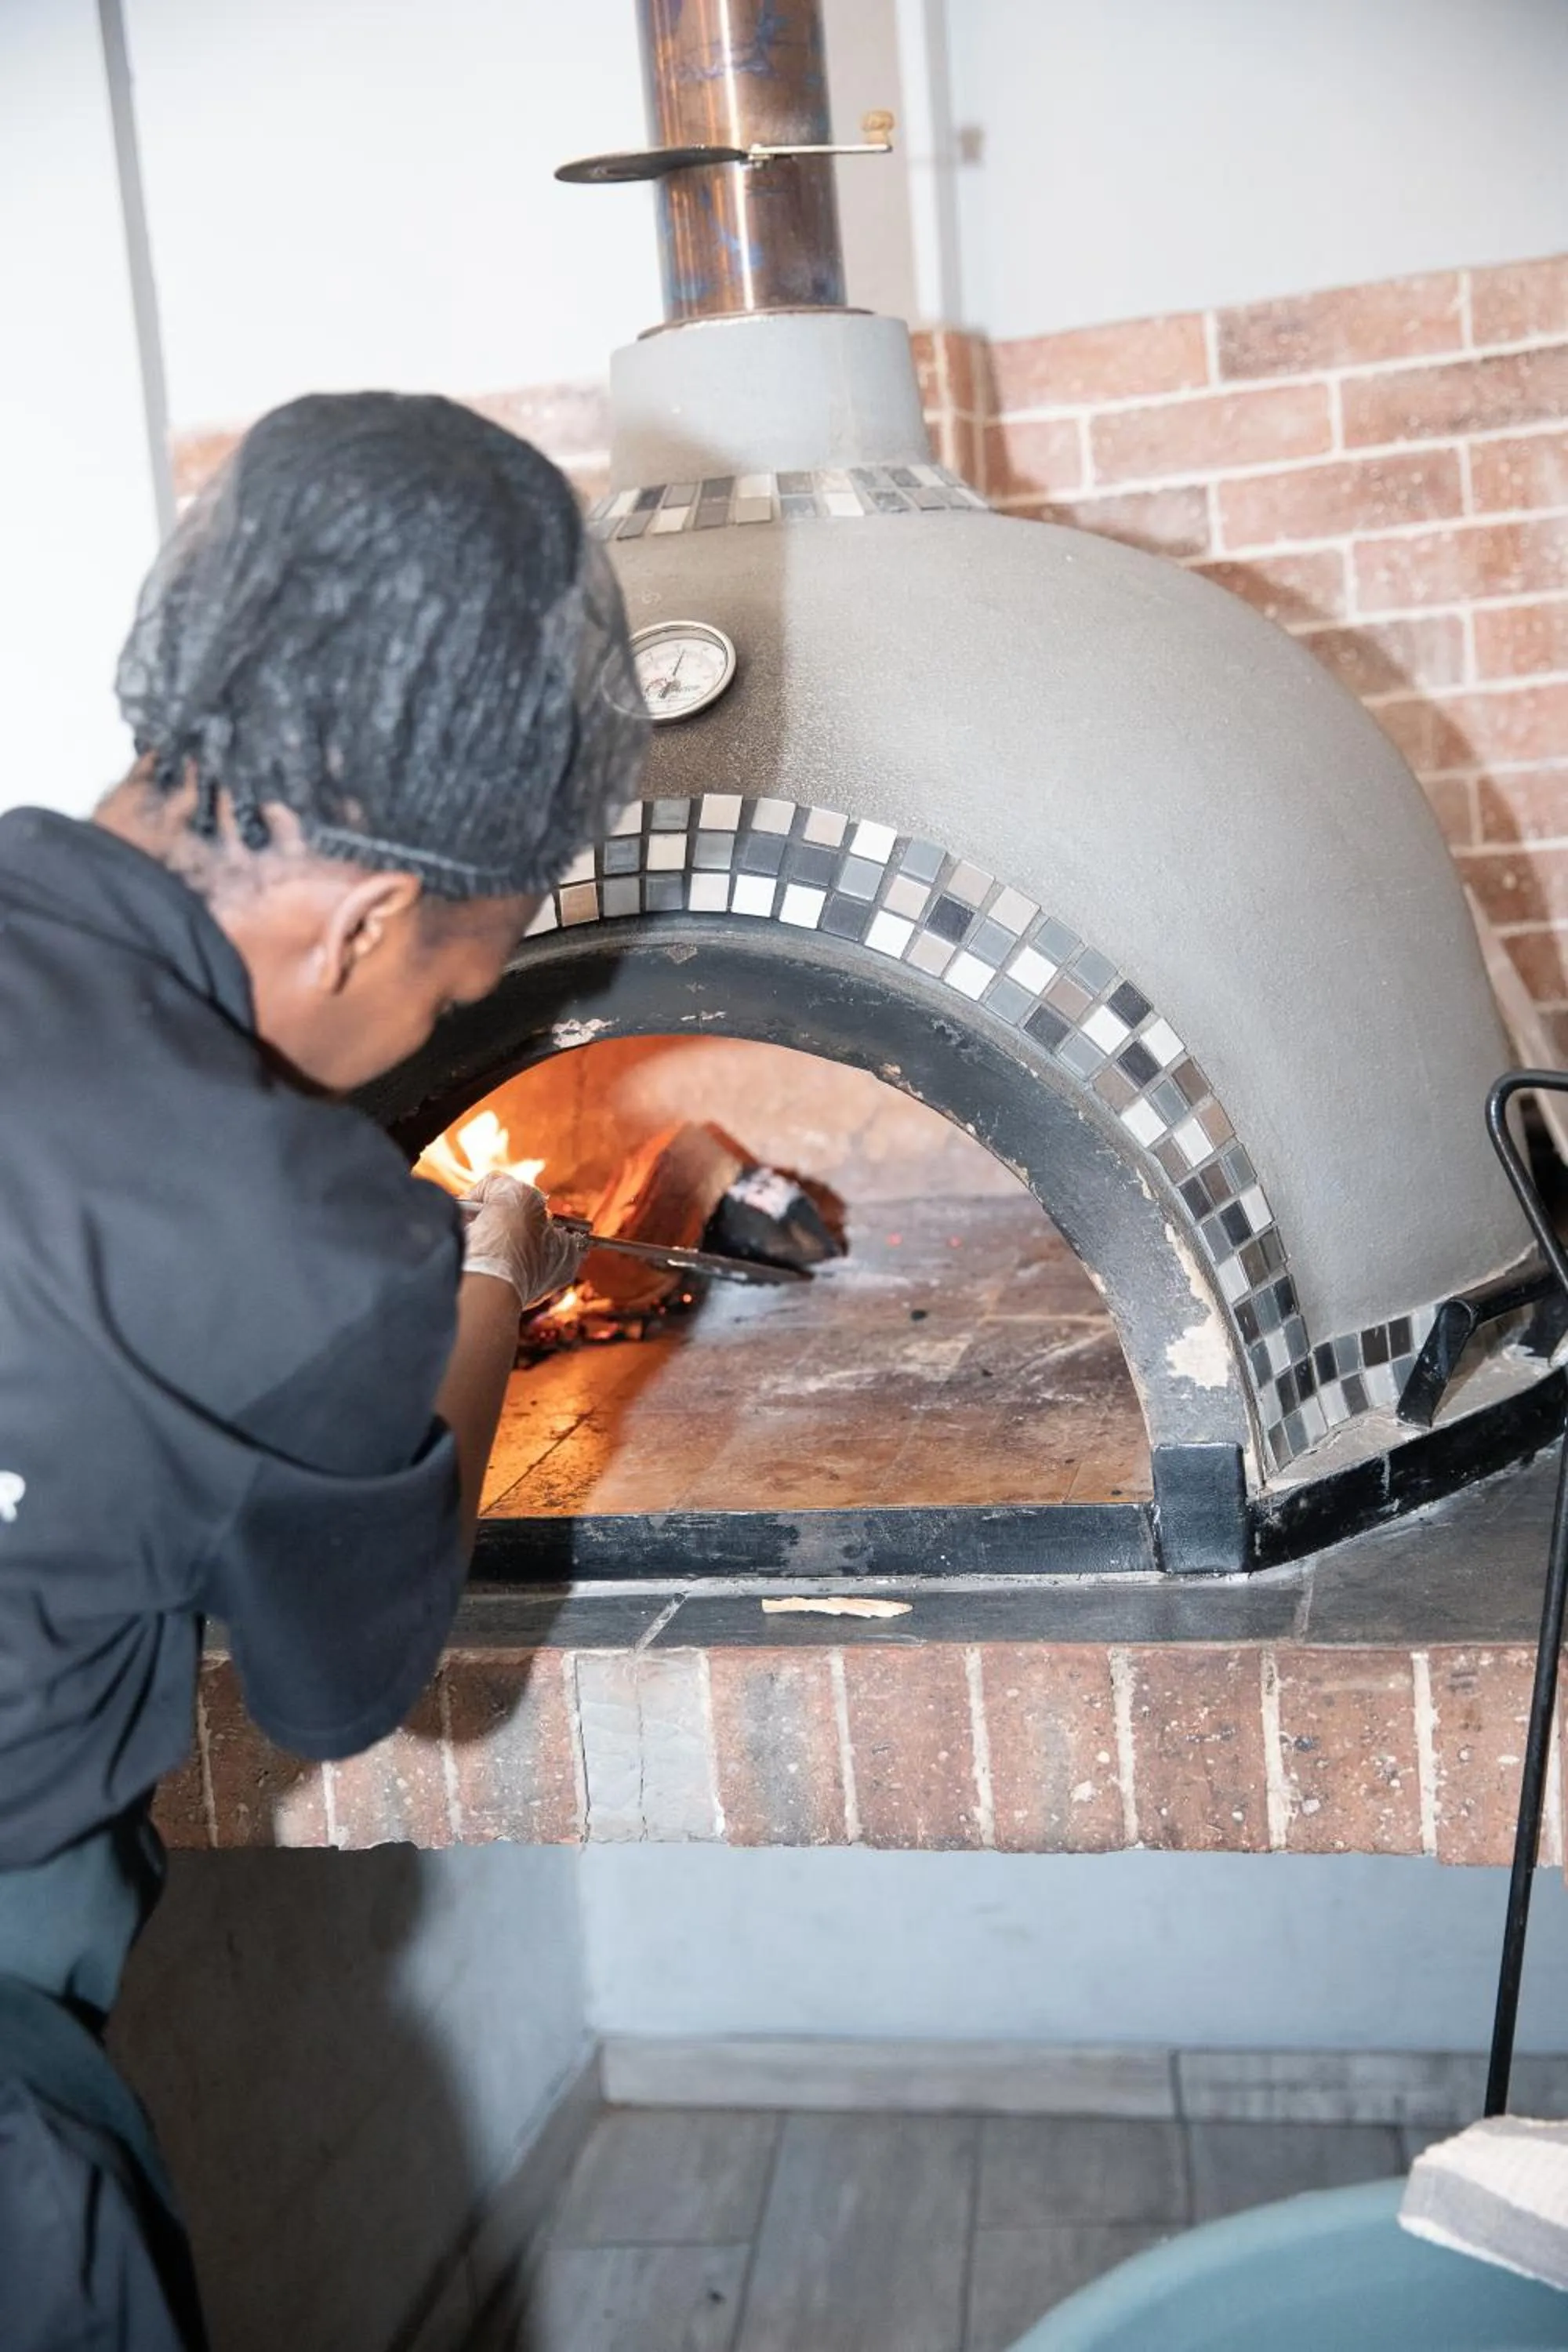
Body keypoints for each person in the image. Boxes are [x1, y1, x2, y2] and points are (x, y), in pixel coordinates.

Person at [0, 391, 648, 2347]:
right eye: (462, 987)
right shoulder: (292, 1231)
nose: (446, 1017)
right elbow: (347, 1681)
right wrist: (483, 1273)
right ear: (374, 912)